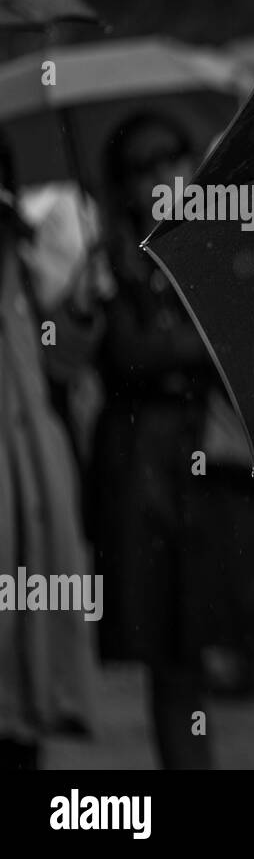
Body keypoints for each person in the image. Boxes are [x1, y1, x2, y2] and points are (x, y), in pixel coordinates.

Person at [91, 111, 254, 768]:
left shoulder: (229, 235)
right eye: (142, 169)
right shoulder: (106, 264)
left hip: (241, 482)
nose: (161, 179)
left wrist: (181, 344)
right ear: (120, 187)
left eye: (172, 160)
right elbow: (121, 356)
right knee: (176, 667)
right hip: (154, 489)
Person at [0, 132, 97, 770]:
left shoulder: (25, 253)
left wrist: (83, 303)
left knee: (26, 626)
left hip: (27, 458)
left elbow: (62, 357)